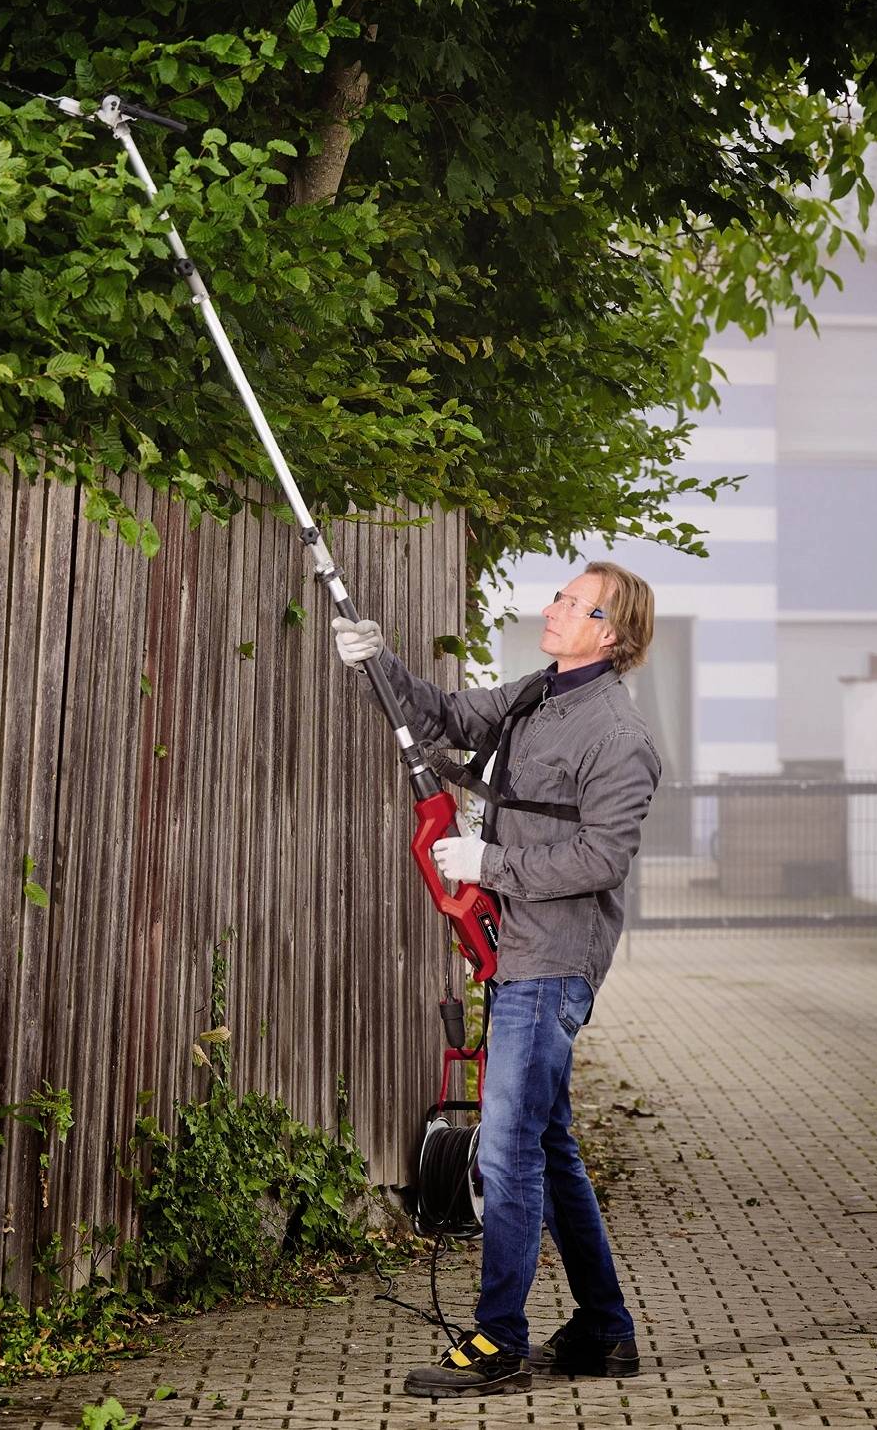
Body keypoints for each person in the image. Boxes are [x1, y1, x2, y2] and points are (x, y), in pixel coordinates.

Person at [332, 560, 661, 1398]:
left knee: (510, 1150)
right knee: (551, 1148)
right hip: (517, 951)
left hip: (555, 961)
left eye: (574, 604)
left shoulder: (618, 739)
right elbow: (441, 715)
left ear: (610, 634)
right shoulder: (534, 694)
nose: (554, 609)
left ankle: (499, 1340)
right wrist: (376, 660)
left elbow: (601, 858)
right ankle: (603, 1330)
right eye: (558, 595)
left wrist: (491, 859)